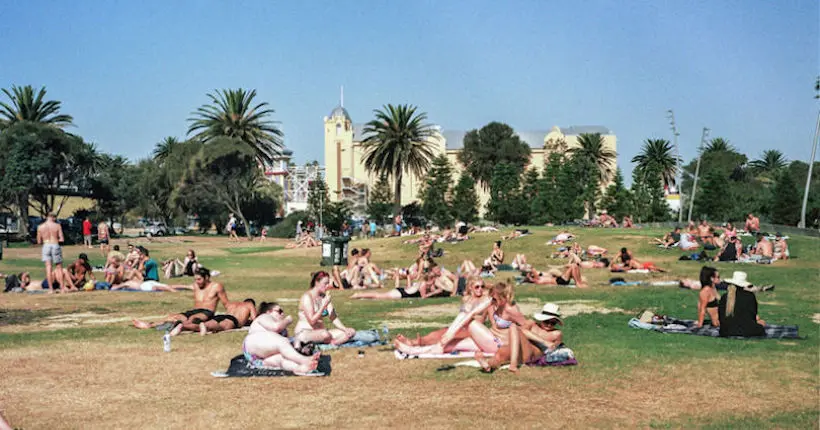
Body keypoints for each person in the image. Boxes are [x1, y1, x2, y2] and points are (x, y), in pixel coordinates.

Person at [132, 267, 229, 329]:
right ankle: (149, 325)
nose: (197, 282)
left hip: (207, 312)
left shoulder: (216, 286)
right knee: (173, 316)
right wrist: (164, 287)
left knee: (193, 318)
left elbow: (226, 303)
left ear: (207, 277)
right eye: (195, 279)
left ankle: (177, 326)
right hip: (194, 311)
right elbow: (182, 286)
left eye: (199, 279)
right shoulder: (196, 286)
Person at [241, 302, 320, 374]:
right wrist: (288, 320)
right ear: (269, 312)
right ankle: (304, 360)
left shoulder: (283, 331)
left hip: (257, 358)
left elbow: (287, 349)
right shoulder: (264, 316)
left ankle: (299, 368)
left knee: (281, 359)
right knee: (283, 342)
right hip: (253, 341)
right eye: (279, 311)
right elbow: (276, 327)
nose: (283, 314)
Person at [293, 271, 355, 345]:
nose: (328, 286)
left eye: (328, 283)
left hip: (321, 331)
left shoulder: (324, 297)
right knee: (325, 334)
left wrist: (345, 329)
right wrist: (323, 305)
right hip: (305, 332)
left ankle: (332, 343)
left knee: (351, 332)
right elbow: (312, 321)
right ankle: (334, 342)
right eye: (325, 283)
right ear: (317, 283)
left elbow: (333, 317)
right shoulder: (307, 297)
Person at [170, 298, 257, 336]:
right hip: (232, 320)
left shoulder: (234, 304)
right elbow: (255, 319)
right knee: (220, 326)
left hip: (222, 316)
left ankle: (183, 326)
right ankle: (205, 326)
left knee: (205, 324)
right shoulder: (249, 305)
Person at [718, 271, 766, 337]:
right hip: (747, 331)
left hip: (726, 331)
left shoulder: (724, 297)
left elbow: (721, 317)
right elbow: (752, 316)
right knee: (761, 324)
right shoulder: (750, 296)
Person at [37, 213, 65, 294]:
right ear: (53, 217)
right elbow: (62, 239)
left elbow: (39, 241)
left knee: (48, 267)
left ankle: (51, 289)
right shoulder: (57, 226)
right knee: (59, 267)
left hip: (46, 245)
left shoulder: (40, 227)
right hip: (55, 244)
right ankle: (62, 288)